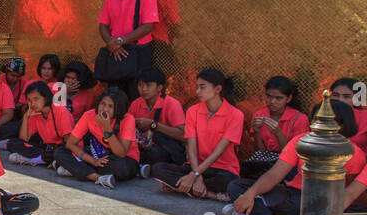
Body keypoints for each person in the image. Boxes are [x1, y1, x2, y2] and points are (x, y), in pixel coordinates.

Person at [225, 100, 364, 215]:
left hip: (320, 203)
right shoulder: (302, 141)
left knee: (299, 208)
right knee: (236, 186)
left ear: (341, 125)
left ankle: (252, 213)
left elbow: (352, 192)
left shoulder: (351, 152)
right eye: (316, 119)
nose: (318, 125)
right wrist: (250, 194)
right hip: (292, 193)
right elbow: (275, 174)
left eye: (325, 121)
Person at [151, 69, 245, 200]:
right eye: (197, 87)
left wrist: (194, 175)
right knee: (158, 169)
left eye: (202, 87)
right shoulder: (193, 111)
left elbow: (218, 152)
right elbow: (192, 148)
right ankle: (210, 194)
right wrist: (197, 175)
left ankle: (183, 188)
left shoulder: (235, 115)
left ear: (218, 89)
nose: (197, 92)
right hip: (195, 165)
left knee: (229, 182)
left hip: (222, 169)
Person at [53, 87, 141, 189]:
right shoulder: (89, 115)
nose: (105, 109)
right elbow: (70, 143)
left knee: (121, 168)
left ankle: (75, 169)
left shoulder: (128, 119)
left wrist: (107, 128)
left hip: (122, 160)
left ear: (118, 109)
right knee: (60, 153)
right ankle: (97, 178)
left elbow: (121, 153)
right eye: (103, 104)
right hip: (98, 157)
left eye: (110, 106)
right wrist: (93, 161)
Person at [97, 0, 160, 99]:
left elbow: (148, 26)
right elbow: (102, 25)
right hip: (116, 52)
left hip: (138, 53)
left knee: (136, 94)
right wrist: (111, 43)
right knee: (115, 95)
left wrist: (121, 40)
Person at [242, 76, 308, 178]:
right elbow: (260, 152)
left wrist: (278, 133)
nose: (272, 101)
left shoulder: (299, 118)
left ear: (289, 98)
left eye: (278, 98)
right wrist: (256, 132)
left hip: (287, 165)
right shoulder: (259, 114)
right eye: (269, 96)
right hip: (265, 164)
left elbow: (294, 156)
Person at [128, 67, 186, 173]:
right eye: (140, 85)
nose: (144, 89)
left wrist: (154, 125)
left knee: (156, 152)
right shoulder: (136, 104)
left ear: (159, 87)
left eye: (148, 85)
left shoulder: (172, 104)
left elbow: (183, 136)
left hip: (164, 148)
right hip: (143, 145)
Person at [7, 80, 75, 167]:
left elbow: (69, 142)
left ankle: (39, 159)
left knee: (59, 152)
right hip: (46, 148)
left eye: (36, 99)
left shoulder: (61, 111)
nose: (33, 104)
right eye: (29, 100)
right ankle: (44, 159)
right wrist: (26, 117)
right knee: (13, 143)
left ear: (46, 98)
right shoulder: (35, 113)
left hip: (61, 148)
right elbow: (24, 139)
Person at [330, 78, 367, 156]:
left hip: (360, 165)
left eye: (346, 97)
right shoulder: (323, 115)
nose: (340, 100)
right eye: (335, 95)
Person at [0, 58, 29, 142]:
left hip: (15, 117)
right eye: (12, 75)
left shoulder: (24, 83)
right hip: (0, 116)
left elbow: (23, 103)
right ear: (6, 72)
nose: (15, 78)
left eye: (18, 76)